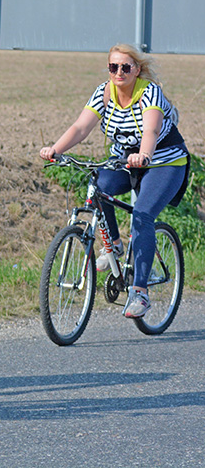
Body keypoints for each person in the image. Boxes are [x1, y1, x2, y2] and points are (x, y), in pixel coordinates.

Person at [40, 43, 189, 318]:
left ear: (137, 70)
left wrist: (144, 154)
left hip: (165, 161)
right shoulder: (104, 92)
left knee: (142, 215)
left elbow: (151, 129)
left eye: (125, 67)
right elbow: (81, 127)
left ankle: (140, 293)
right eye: (113, 67)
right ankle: (115, 247)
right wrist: (55, 150)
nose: (119, 72)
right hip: (125, 160)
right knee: (100, 186)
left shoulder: (149, 92)